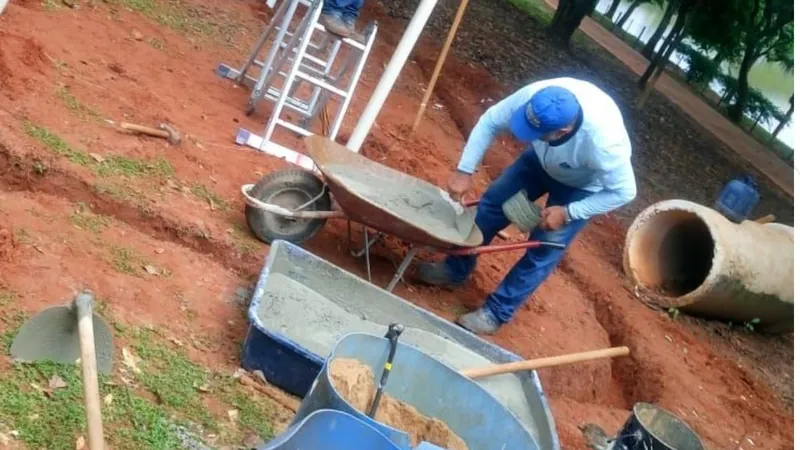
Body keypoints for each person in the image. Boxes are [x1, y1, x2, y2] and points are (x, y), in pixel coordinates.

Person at [414, 77, 637, 335]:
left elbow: (625, 192)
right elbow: (490, 121)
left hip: (582, 185)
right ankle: (454, 269)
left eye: (536, 132)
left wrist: (569, 212)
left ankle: (495, 312)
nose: (524, 136)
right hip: (538, 162)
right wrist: (464, 170)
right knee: (491, 206)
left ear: (562, 131)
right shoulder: (535, 96)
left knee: (544, 246)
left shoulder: (605, 146)